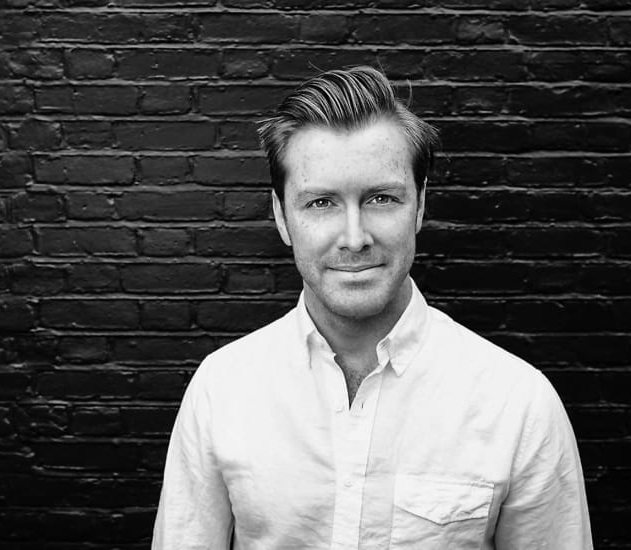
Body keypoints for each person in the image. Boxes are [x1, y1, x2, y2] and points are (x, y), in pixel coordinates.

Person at [152, 66, 592, 549]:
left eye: (381, 198)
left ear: (419, 206)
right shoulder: (222, 390)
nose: (355, 238)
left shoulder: (518, 404)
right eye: (321, 203)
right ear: (280, 216)